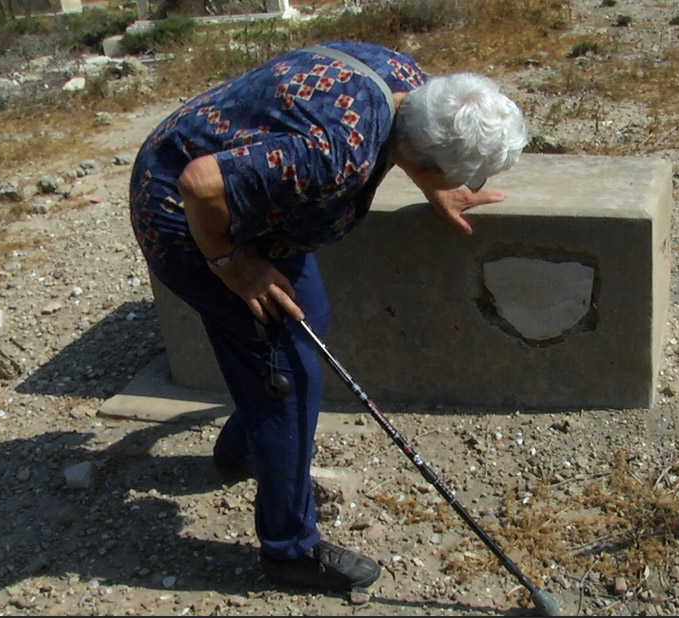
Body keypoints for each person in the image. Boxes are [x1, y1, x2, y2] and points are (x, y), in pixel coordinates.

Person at [128, 41, 528, 593]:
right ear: (430, 158)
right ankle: (289, 549)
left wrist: (436, 187)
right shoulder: (335, 156)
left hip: (247, 193)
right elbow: (201, 184)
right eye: (463, 178)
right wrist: (230, 262)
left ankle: (243, 449)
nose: (469, 188)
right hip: (185, 213)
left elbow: (403, 126)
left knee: (304, 320)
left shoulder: (406, 80)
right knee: (286, 377)